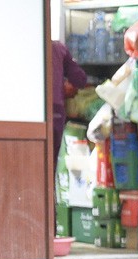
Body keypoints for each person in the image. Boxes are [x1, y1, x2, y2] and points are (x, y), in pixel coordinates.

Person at [52, 40, 87, 171]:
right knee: (53, 159)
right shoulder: (58, 48)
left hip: (31, 114)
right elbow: (80, 79)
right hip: (55, 109)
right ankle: (51, 190)